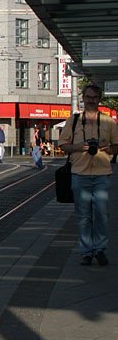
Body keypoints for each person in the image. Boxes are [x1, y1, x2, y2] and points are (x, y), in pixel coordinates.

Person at [59, 83, 118, 266]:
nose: (91, 101)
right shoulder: (74, 121)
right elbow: (63, 144)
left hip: (102, 173)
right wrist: (79, 147)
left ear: (99, 99)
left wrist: (109, 149)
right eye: (88, 97)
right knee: (84, 216)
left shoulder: (109, 121)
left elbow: (117, 146)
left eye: (94, 97)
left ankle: (100, 249)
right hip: (79, 173)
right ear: (82, 99)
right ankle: (86, 251)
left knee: (101, 213)